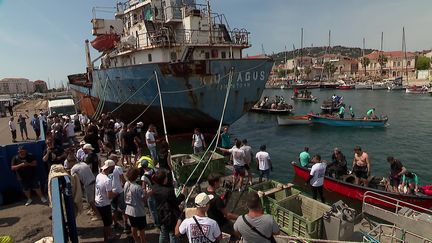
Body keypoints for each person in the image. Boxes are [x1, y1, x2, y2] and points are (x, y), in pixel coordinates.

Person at [153, 169, 187, 243]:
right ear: (164, 179)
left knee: (163, 233)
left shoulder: (155, 188)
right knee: (173, 234)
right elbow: (175, 202)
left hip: (161, 214)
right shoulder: (168, 191)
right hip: (170, 216)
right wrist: (182, 194)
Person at [206, 173, 240, 243]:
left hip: (211, 222)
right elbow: (228, 215)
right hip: (221, 223)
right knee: (238, 233)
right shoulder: (217, 199)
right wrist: (242, 217)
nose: (221, 183)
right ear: (215, 183)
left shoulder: (204, 193)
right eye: (220, 182)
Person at [124, 167, 147, 243]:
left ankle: (136, 241)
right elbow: (143, 199)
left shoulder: (126, 184)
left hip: (129, 210)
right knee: (141, 229)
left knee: (133, 227)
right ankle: (143, 241)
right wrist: (148, 192)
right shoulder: (138, 187)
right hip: (139, 211)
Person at [95, 159, 116, 242]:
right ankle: (108, 238)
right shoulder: (107, 180)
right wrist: (116, 193)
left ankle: (108, 236)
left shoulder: (99, 175)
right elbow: (109, 196)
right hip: (104, 203)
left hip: (98, 201)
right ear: (110, 168)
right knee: (107, 223)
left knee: (105, 222)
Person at [110, 157, 129, 233]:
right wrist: (125, 186)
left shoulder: (104, 170)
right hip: (119, 190)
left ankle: (115, 223)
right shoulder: (118, 168)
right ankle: (125, 225)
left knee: (113, 209)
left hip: (111, 191)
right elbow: (123, 179)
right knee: (123, 209)